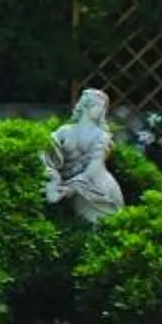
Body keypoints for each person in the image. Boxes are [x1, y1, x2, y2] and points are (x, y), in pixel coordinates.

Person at [44, 86, 125, 222]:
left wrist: (70, 188)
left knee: (98, 229)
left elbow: (94, 169)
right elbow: (48, 153)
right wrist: (54, 177)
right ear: (86, 106)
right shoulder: (65, 131)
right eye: (99, 106)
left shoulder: (102, 136)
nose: (102, 111)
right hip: (74, 188)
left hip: (97, 189)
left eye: (103, 108)